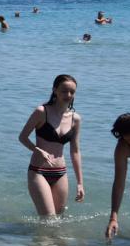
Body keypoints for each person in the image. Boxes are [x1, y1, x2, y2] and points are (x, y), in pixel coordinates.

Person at [18, 74, 83, 217]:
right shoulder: (42, 112)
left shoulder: (75, 119)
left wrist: (80, 183)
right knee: (49, 218)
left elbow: (75, 151)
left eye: (72, 92)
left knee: (58, 218)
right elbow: (22, 137)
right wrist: (37, 150)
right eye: (64, 90)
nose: (68, 95)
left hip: (60, 173)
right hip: (38, 171)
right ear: (54, 90)